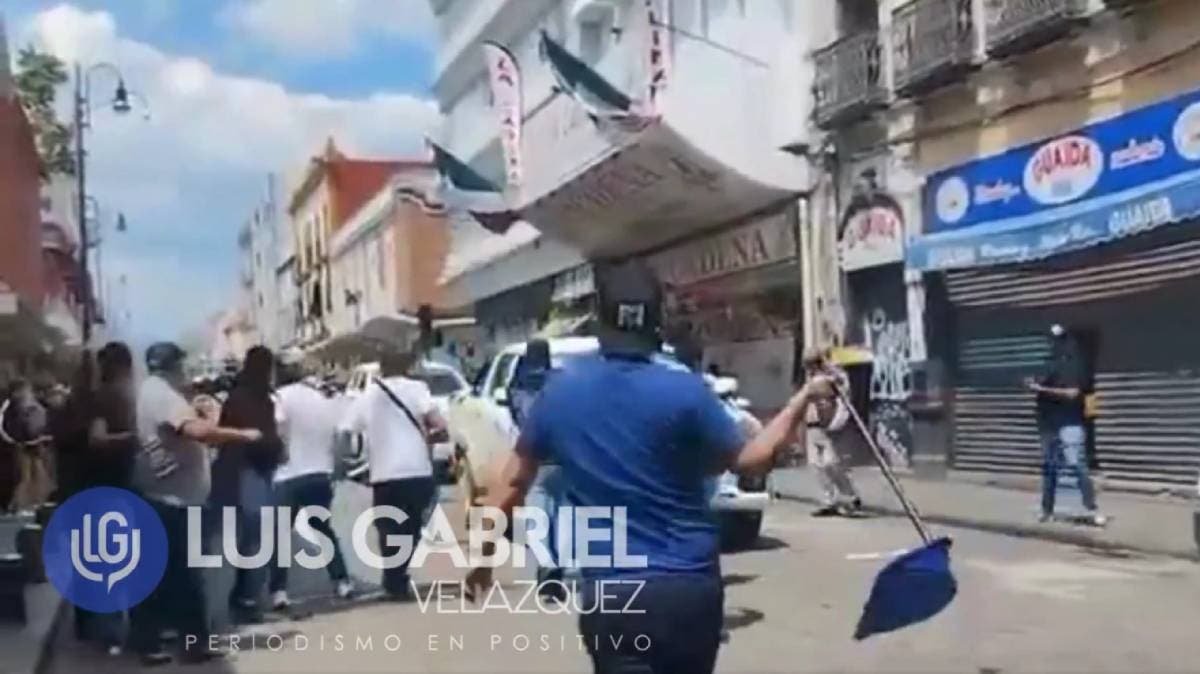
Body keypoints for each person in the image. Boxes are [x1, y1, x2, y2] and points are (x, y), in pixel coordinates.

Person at [464, 259, 833, 674]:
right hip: (688, 590)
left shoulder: (560, 394)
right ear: (656, 322)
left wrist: (482, 561)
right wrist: (801, 401)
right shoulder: (685, 391)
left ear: (599, 320)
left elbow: (510, 485)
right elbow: (752, 457)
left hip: (615, 593)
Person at [129, 342, 263, 665]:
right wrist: (243, 435)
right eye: (183, 367)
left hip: (169, 497)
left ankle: (166, 640)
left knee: (168, 575)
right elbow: (198, 432)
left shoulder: (152, 391)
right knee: (183, 577)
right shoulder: (163, 395)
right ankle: (188, 644)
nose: (186, 373)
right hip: (173, 501)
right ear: (173, 366)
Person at [338, 350, 447, 600]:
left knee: (388, 528)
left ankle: (394, 577)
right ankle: (397, 576)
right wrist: (426, 438)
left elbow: (345, 430)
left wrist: (346, 463)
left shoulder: (369, 395)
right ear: (406, 366)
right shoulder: (418, 388)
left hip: (384, 474)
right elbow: (440, 425)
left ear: (382, 369)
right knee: (412, 527)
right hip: (418, 470)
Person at [269, 349, 353, 610]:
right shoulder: (320, 397)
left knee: (281, 535)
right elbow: (337, 431)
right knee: (323, 528)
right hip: (319, 473)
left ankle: (279, 591)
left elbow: (278, 428)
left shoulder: (280, 398)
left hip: (288, 475)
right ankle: (341, 581)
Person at [1027, 325, 1107, 526]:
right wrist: (1033, 386)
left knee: (1076, 464)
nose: (1054, 344)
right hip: (1048, 421)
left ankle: (1092, 508)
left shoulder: (1075, 364)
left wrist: (1042, 389)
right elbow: (1036, 385)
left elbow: (1072, 393)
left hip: (1069, 419)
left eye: (1059, 339)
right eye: (1051, 340)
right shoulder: (1047, 365)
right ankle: (1047, 510)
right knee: (1050, 468)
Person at [802, 348, 862, 517]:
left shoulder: (832, 377)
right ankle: (829, 500)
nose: (809, 367)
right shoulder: (810, 380)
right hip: (811, 425)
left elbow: (844, 393)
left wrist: (830, 369)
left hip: (828, 425)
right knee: (815, 465)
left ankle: (850, 496)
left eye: (812, 363)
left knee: (831, 463)